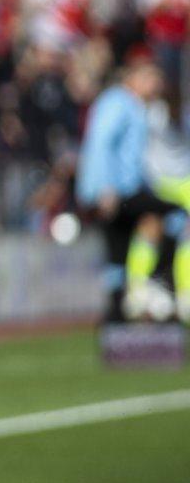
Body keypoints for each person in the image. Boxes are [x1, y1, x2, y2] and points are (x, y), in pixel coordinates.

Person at [77, 58, 171, 321]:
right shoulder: (118, 103)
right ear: (136, 77)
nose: (157, 86)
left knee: (117, 249)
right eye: (153, 78)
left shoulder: (131, 105)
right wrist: (106, 188)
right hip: (116, 191)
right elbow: (101, 145)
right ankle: (154, 283)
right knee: (174, 214)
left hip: (122, 189)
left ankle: (116, 313)